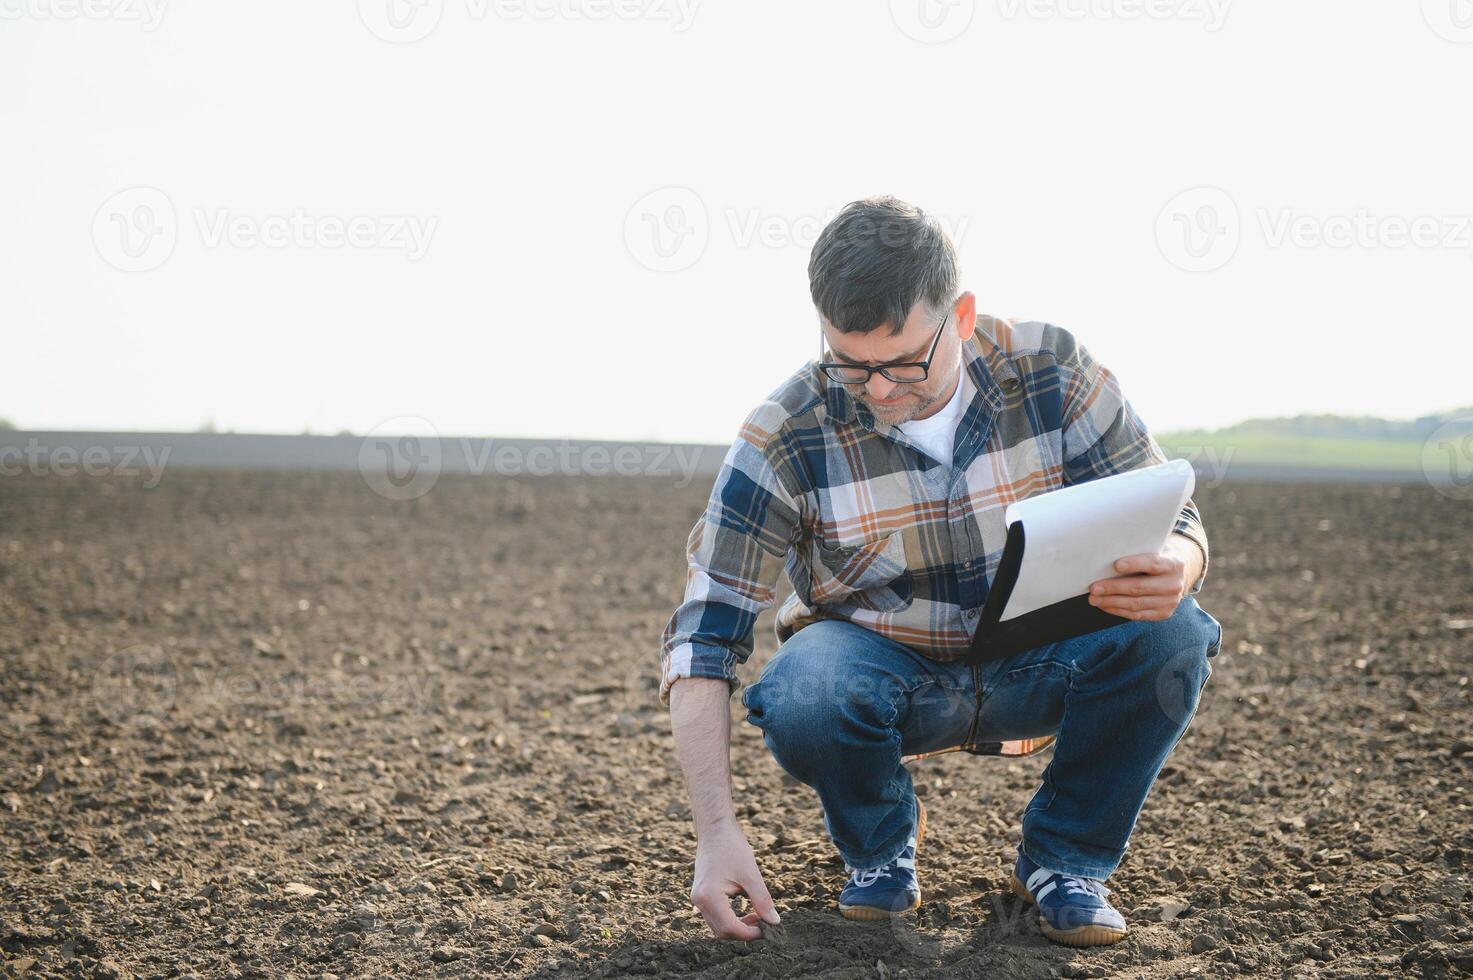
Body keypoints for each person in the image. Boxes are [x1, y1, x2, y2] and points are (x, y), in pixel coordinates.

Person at [659, 196, 1223, 948]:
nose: (882, 390)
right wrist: (715, 833)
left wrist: (1179, 565)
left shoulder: (1051, 368)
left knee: (1173, 635)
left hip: (1042, 658)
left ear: (959, 316)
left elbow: (1172, 513)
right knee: (800, 691)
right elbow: (704, 632)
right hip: (885, 676)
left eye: (903, 362)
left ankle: (1066, 863)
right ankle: (878, 851)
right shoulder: (785, 431)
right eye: (852, 367)